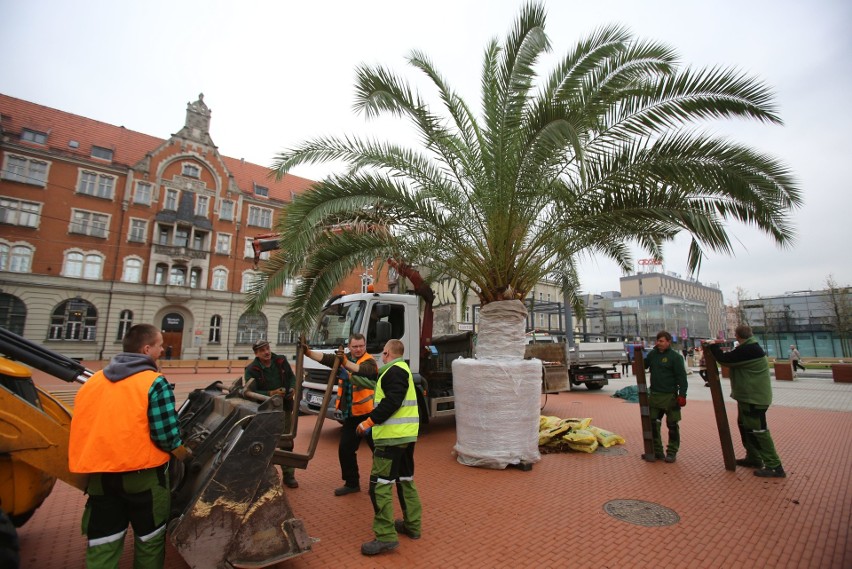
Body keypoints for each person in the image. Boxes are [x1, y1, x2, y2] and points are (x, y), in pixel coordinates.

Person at [68, 323, 190, 569]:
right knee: (149, 539)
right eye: (159, 345)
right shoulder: (154, 382)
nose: (162, 350)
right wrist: (183, 453)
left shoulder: (94, 381)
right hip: (142, 476)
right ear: (146, 349)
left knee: (104, 539)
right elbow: (166, 435)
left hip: (100, 476)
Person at [347, 339, 422, 556]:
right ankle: (412, 525)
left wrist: (368, 422)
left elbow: (393, 401)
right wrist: (346, 365)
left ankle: (386, 536)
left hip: (390, 440)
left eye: (383, 353)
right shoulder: (401, 369)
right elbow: (370, 375)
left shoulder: (393, 372)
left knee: (379, 486)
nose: (381, 355)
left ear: (387, 352)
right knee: (405, 480)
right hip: (405, 437)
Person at [302, 333, 378, 496]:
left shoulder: (369, 361)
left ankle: (377, 484)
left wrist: (345, 364)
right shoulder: (346, 358)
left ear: (365, 346)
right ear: (349, 347)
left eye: (361, 346)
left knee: (378, 451)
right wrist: (308, 353)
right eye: (355, 346)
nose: (358, 349)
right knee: (345, 449)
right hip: (351, 414)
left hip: (369, 415)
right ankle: (351, 483)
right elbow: (328, 359)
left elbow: (363, 371)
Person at [708, 326, 785, 478]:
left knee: (758, 430)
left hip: (754, 398)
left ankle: (774, 465)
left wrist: (713, 346)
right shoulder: (749, 347)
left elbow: (725, 359)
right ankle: (754, 458)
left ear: (737, 335)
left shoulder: (749, 350)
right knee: (745, 426)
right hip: (749, 397)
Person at [244, 339, 299, 488]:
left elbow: (292, 378)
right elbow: (249, 392)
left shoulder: (280, 361)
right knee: (265, 444)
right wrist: (271, 393)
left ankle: (289, 475)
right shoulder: (251, 369)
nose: (267, 352)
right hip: (265, 412)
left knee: (286, 441)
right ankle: (265, 476)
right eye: (262, 350)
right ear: (256, 353)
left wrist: (292, 388)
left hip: (285, 408)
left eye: (267, 348)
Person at [643, 330, 688, 463]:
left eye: (661, 341)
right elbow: (643, 365)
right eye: (657, 341)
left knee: (672, 425)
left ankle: (672, 452)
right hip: (655, 395)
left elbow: (682, 378)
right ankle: (658, 451)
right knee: (653, 424)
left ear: (668, 342)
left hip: (670, 397)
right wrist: (639, 355)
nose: (659, 343)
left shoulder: (675, 357)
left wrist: (682, 395)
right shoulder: (653, 354)